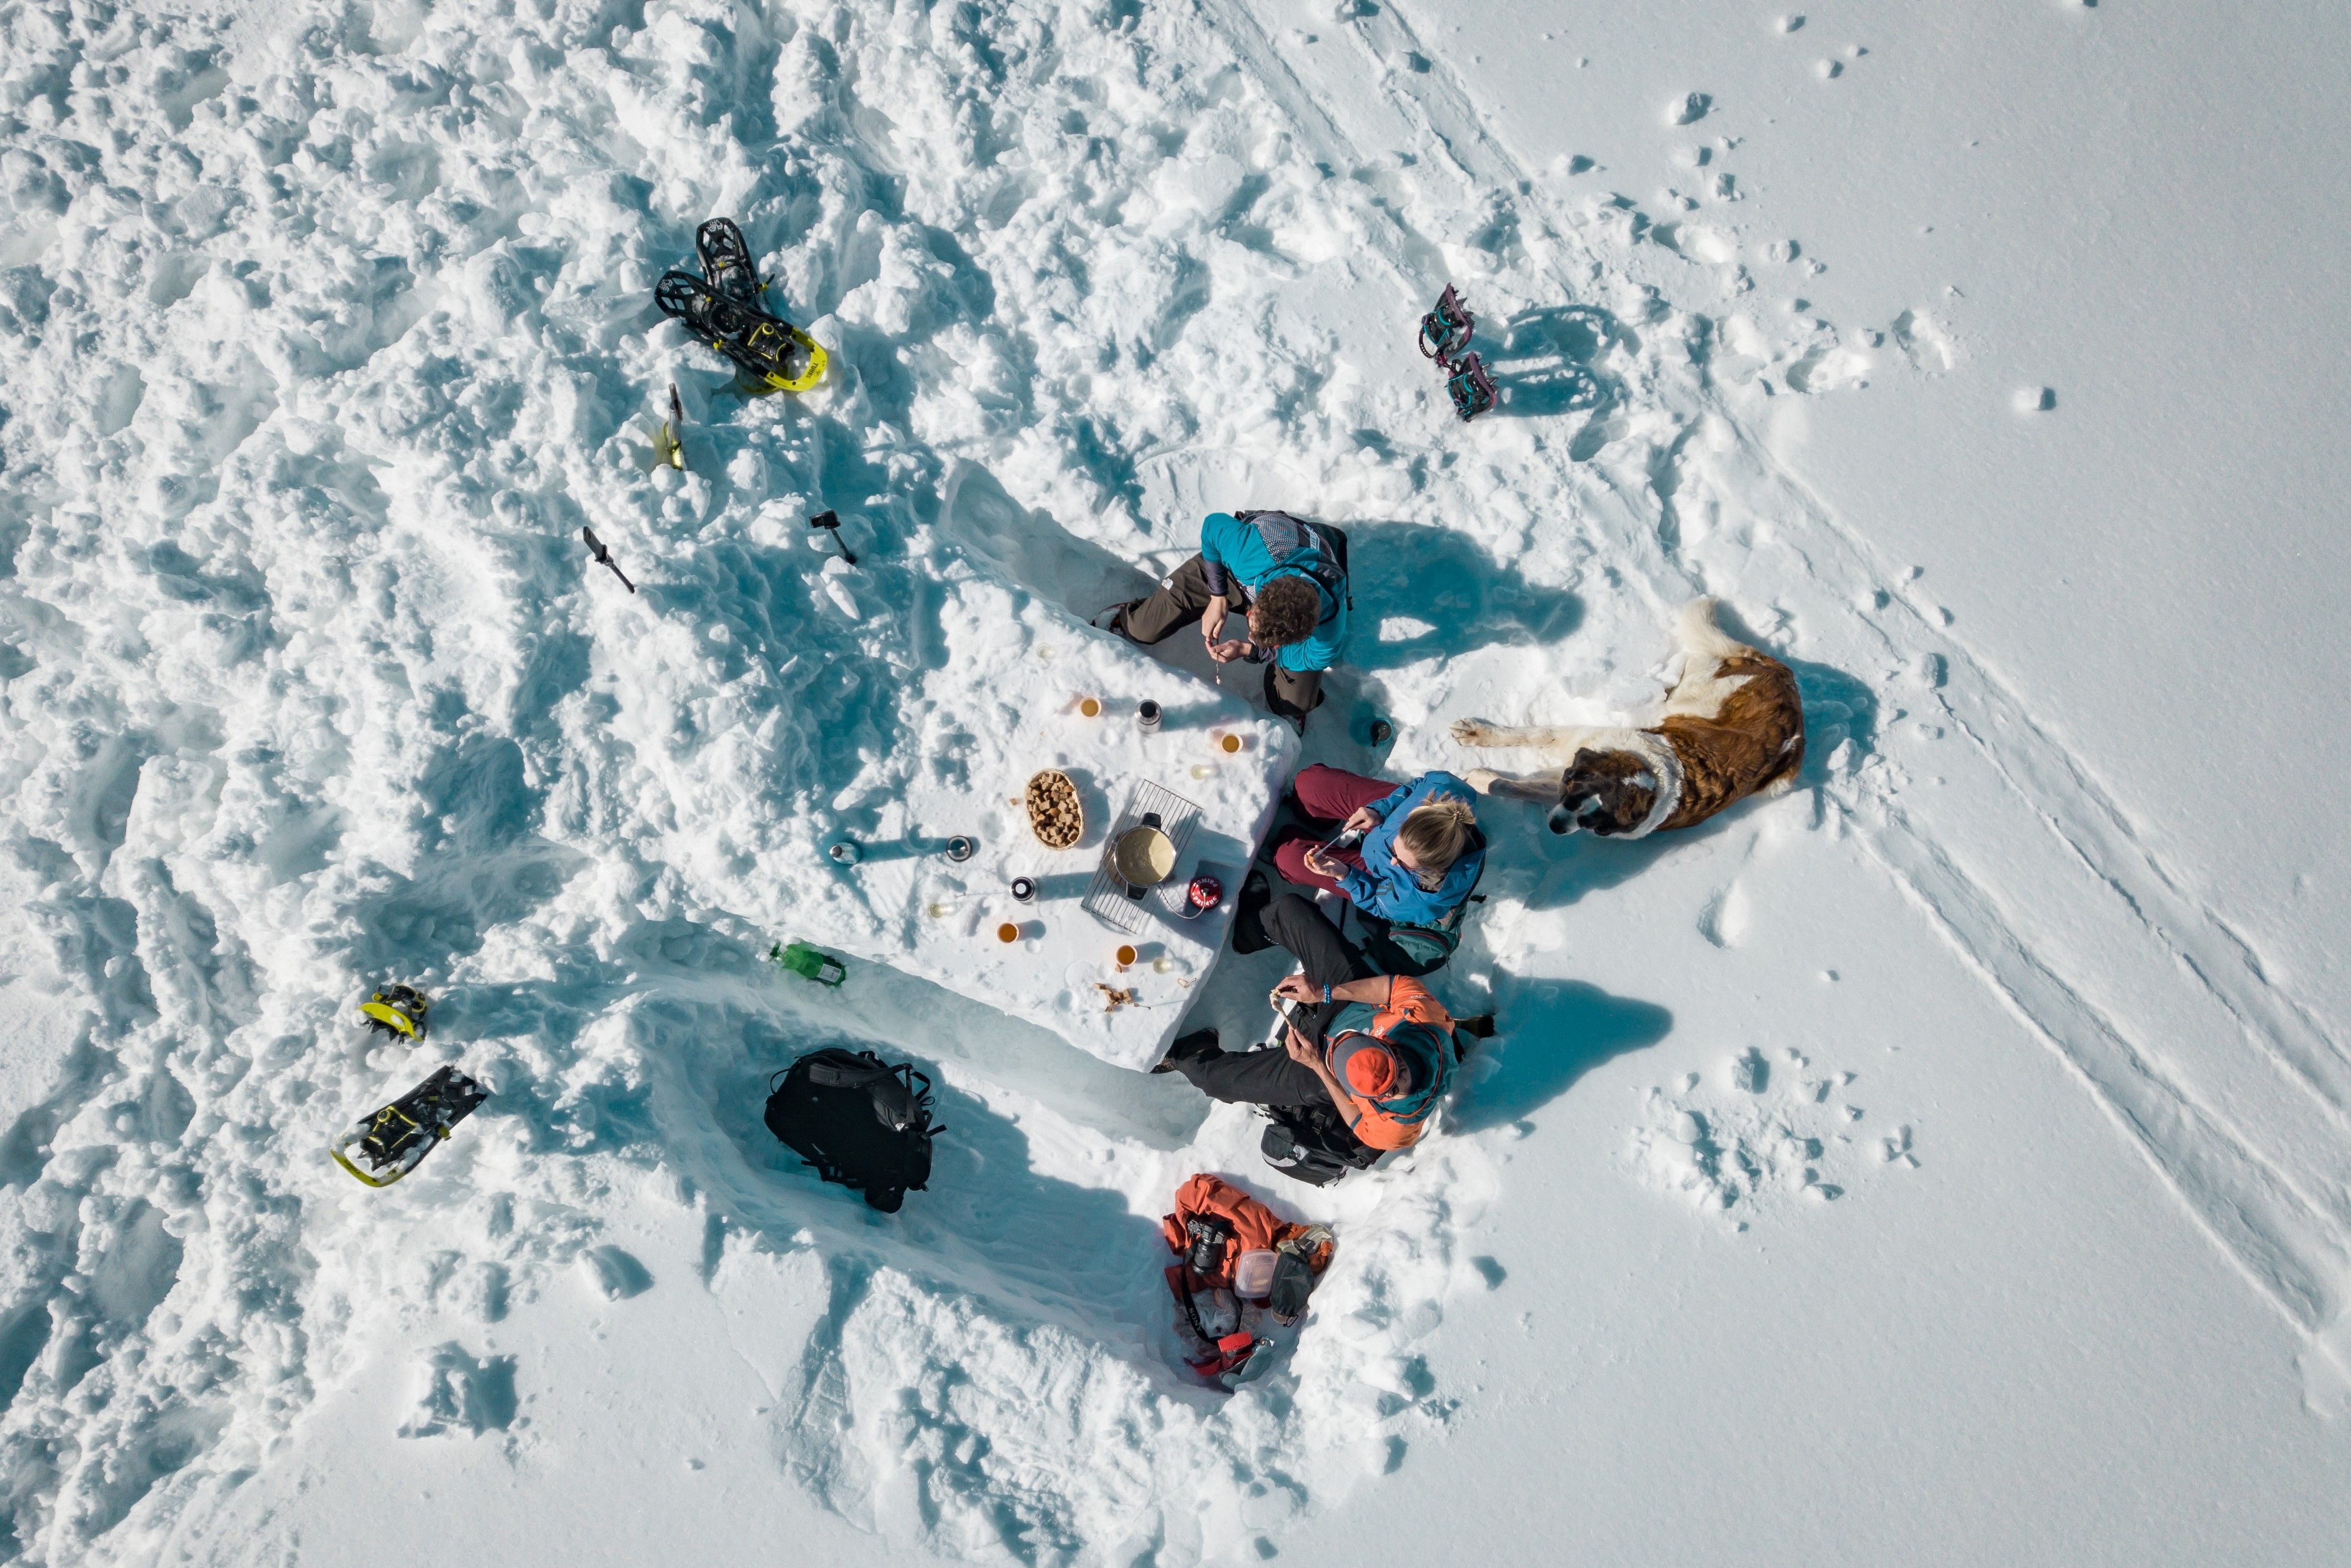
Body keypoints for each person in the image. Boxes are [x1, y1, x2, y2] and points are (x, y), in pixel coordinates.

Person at [1154, 892, 1467, 1154]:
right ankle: (1251, 931)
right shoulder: (1423, 1020)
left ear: (1379, 1098)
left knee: (1217, 1081)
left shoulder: (1397, 1130)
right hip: (1349, 1006)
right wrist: (1325, 992)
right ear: (1387, 1044)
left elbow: (1359, 1124)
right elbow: (1392, 987)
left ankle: (1188, 1052)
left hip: (1321, 1072)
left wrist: (1319, 1065)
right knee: (1291, 911)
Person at [1103, 510, 1350, 731]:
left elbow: (1306, 656)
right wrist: (1217, 596)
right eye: (1252, 626)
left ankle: (1324, 539)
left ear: (1300, 636)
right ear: (1256, 602)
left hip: (1290, 583)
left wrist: (1250, 649)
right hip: (1246, 565)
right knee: (1143, 628)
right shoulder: (1251, 554)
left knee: (1296, 702)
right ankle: (1128, 620)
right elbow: (1212, 526)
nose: (1249, 634)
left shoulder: (1328, 632)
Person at [1271, 765, 1483, 930]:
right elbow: (1415, 787)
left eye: (1401, 864)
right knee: (1309, 783)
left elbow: (1378, 901)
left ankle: (1292, 841)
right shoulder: (1447, 791)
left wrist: (1344, 875)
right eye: (1396, 848)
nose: (1394, 861)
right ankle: (1317, 819)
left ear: (1430, 868)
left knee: (1288, 859)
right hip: (1382, 821)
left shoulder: (1418, 898)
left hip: (1375, 875)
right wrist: (1379, 810)